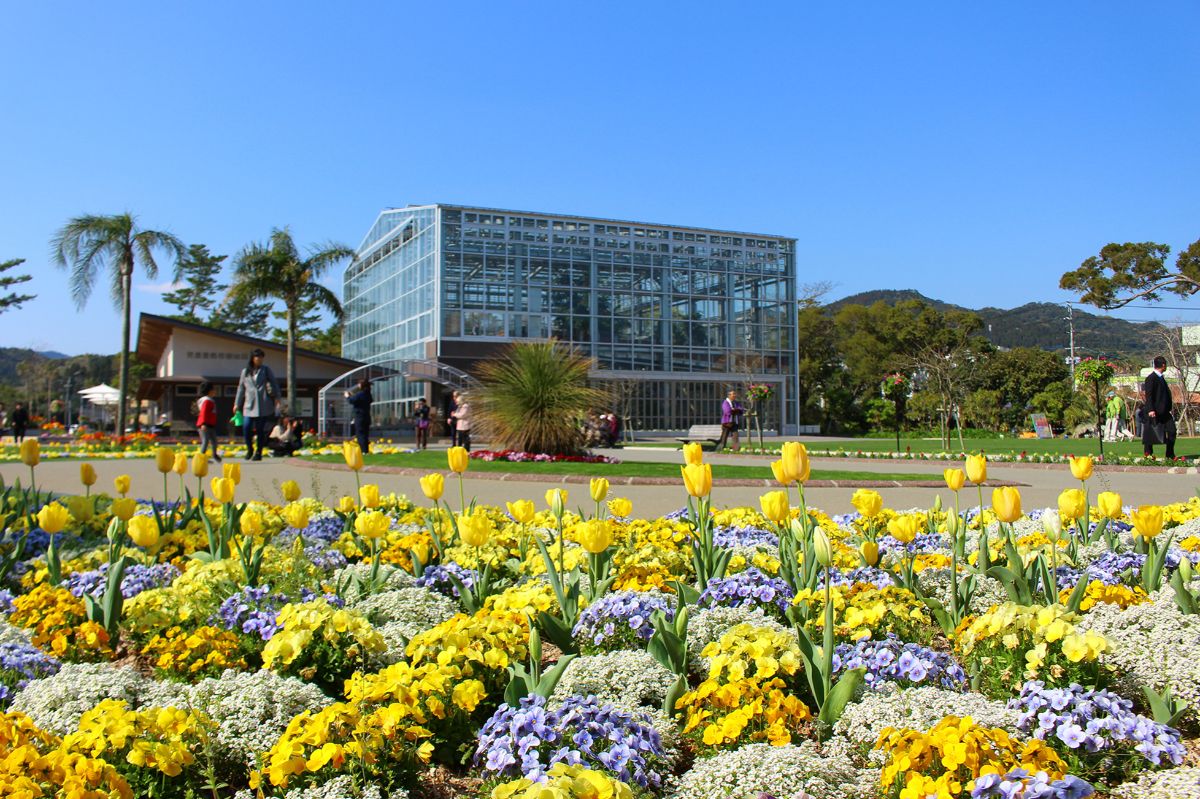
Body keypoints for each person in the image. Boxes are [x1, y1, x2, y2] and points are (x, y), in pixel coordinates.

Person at [234, 348, 281, 462]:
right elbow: (241, 388)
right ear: (252, 358)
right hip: (249, 404)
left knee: (260, 430)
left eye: (261, 357)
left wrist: (277, 398)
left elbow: (274, 383)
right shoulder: (245, 371)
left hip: (263, 403)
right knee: (246, 427)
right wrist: (237, 403)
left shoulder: (266, 370)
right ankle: (249, 449)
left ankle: (258, 452)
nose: (259, 359)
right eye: (257, 357)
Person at [1142, 356, 1176, 459]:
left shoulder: (1161, 378)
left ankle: (1169, 454)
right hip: (1154, 411)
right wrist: (1151, 409)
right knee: (1150, 433)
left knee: (1172, 431)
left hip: (1165, 412)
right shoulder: (1151, 378)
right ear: (1163, 365)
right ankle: (1148, 454)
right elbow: (1149, 395)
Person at [195, 381, 222, 461]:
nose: (215, 391)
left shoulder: (209, 400)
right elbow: (204, 413)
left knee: (214, 441)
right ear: (210, 391)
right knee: (205, 441)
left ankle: (214, 454)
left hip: (210, 425)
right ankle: (201, 458)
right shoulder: (207, 401)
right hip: (205, 425)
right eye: (214, 389)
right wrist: (203, 423)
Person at [345, 379, 373, 454]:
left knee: (360, 434)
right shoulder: (368, 394)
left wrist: (347, 396)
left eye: (359, 384)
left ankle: (363, 451)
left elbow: (352, 400)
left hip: (360, 416)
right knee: (365, 434)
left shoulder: (361, 394)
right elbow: (357, 399)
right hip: (366, 416)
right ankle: (365, 450)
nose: (358, 385)